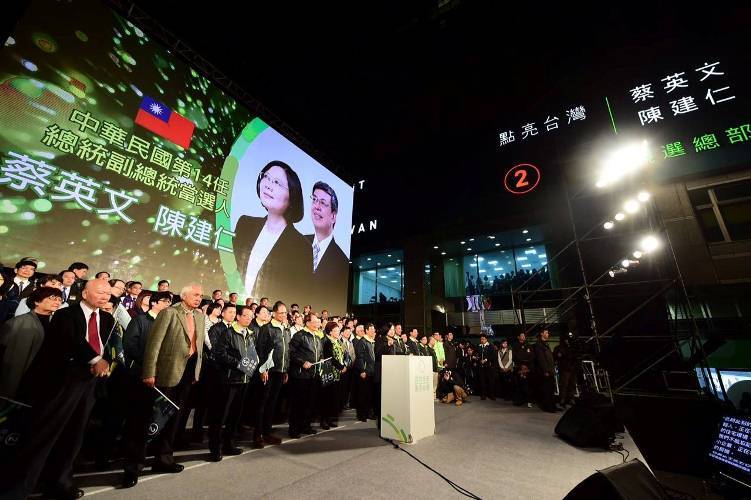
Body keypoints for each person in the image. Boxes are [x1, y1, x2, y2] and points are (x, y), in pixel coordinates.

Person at [1, 280, 112, 500]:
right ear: (85, 293)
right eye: (100, 292)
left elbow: (105, 344)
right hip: (63, 382)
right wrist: (96, 359)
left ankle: (59, 482)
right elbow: (72, 341)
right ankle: (18, 489)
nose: (105, 297)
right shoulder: (65, 315)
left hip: (89, 383)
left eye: (108, 294)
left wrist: (105, 361)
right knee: (44, 435)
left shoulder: (107, 318)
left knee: (74, 436)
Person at [140, 284, 205, 475]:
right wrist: (149, 372)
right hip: (166, 373)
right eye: (195, 294)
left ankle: (164, 459)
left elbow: (199, 346)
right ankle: (136, 462)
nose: (199, 298)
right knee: (154, 419)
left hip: (188, 374)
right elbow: (154, 344)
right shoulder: (169, 312)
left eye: (201, 295)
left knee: (175, 419)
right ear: (183, 296)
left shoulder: (199, 316)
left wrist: (196, 372)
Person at [233, 160, 312, 302]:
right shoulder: (245, 224)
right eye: (266, 177)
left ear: (292, 196)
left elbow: (297, 294)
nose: (268, 185)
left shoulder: (302, 247)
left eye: (277, 182)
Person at [120, 292, 173, 487]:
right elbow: (130, 345)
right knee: (138, 423)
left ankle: (162, 460)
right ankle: (132, 468)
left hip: (165, 378)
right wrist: (151, 364)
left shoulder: (170, 323)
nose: (168, 304)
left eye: (170, 301)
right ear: (154, 303)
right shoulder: (140, 321)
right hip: (142, 377)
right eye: (165, 301)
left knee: (160, 420)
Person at [207, 306, 257, 461]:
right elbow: (219, 353)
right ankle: (214, 448)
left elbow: (251, 355)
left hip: (244, 379)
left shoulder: (250, 334)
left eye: (251, 316)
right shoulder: (228, 333)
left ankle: (229, 444)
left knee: (235, 415)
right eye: (246, 315)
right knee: (220, 415)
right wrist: (239, 363)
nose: (249, 318)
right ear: (238, 317)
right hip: (228, 379)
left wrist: (251, 364)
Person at [0, 286, 63, 398]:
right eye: (52, 298)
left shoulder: (56, 324)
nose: (57, 302)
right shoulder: (20, 321)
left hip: (37, 378)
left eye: (59, 299)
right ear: (37, 301)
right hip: (14, 377)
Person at [252, 302, 291, 448]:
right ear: (273, 313)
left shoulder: (285, 329)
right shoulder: (266, 328)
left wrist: (286, 370)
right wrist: (263, 370)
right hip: (268, 371)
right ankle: (257, 436)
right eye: (281, 313)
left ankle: (267, 433)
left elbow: (286, 351)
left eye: (285, 313)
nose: (283, 315)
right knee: (262, 403)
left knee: (272, 403)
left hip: (280, 372)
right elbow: (260, 350)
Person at [288, 312, 323, 438]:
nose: (318, 323)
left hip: (313, 375)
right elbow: (291, 353)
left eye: (318, 321)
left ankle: (305, 426)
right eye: (315, 321)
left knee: (310, 402)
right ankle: (294, 429)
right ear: (307, 323)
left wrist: (321, 359)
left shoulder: (317, 337)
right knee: (298, 403)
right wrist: (302, 362)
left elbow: (319, 353)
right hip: (301, 375)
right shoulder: (299, 335)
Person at [307, 182, 348, 284]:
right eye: (314, 199)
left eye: (323, 203)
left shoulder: (342, 262)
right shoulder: (298, 241)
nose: (316, 206)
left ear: (333, 216)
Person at [319, 321, 346, 429]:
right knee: (326, 398)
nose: (338, 332)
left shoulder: (338, 341)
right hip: (329, 372)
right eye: (336, 330)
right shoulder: (326, 342)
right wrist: (341, 366)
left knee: (334, 398)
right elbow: (330, 358)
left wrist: (344, 364)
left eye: (338, 330)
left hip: (338, 373)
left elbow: (342, 354)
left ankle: (330, 419)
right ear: (330, 332)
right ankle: (324, 420)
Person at [355, 323, 376, 422]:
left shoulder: (372, 341)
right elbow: (360, 357)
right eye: (371, 329)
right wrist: (362, 370)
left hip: (372, 371)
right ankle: (361, 414)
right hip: (365, 372)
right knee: (362, 394)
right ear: (366, 330)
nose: (373, 331)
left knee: (370, 394)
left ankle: (368, 413)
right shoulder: (362, 341)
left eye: (373, 329)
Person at [534, 329, 557, 412]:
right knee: (547, 390)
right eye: (546, 333)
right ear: (541, 334)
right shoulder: (539, 345)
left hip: (550, 370)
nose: (548, 334)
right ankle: (548, 407)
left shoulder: (546, 344)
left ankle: (552, 406)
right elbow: (541, 359)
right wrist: (545, 371)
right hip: (545, 372)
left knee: (551, 389)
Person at [554, 333, 577, 407]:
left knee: (572, 384)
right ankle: (562, 399)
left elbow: (575, 356)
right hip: (564, 369)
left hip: (572, 368)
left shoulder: (571, 347)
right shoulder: (559, 348)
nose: (567, 341)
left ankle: (571, 398)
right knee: (564, 385)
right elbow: (557, 356)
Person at [513, 332, 535, 408]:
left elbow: (532, 355)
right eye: (522, 335)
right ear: (518, 337)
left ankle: (529, 400)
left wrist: (526, 363)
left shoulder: (528, 345)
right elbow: (515, 356)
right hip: (519, 367)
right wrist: (521, 364)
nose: (523, 337)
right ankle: (520, 400)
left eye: (524, 336)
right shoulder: (515, 346)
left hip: (528, 368)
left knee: (528, 385)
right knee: (519, 384)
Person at [477, 335, 496, 400]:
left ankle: (491, 395)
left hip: (488, 366)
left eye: (483, 339)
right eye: (481, 339)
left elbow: (492, 355)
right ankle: (483, 395)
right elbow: (477, 354)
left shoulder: (490, 346)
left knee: (490, 381)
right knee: (482, 381)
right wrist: (479, 359)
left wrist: (486, 360)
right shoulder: (479, 346)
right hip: (481, 366)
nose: (482, 340)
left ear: (486, 339)